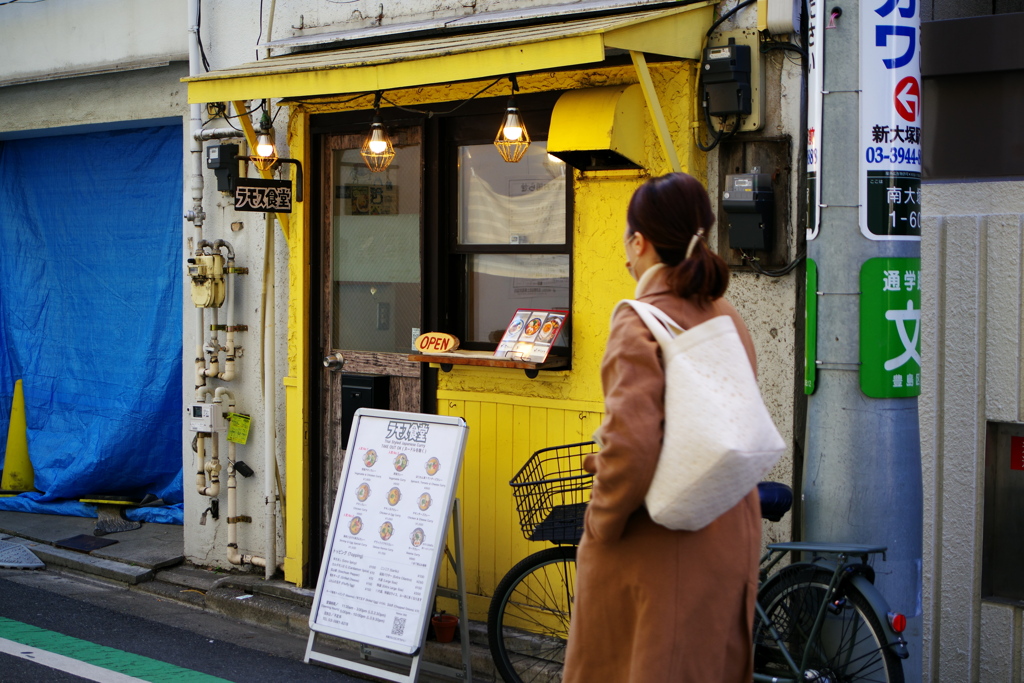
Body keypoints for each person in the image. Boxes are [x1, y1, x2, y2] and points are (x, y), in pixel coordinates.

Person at [562, 173, 761, 682]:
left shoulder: (640, 320)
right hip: (728, 532)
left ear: (639, 241)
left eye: (627, 242)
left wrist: (600, 525)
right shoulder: (724, 316)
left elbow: (630, 447)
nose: (626, 258)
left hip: (658, 548)